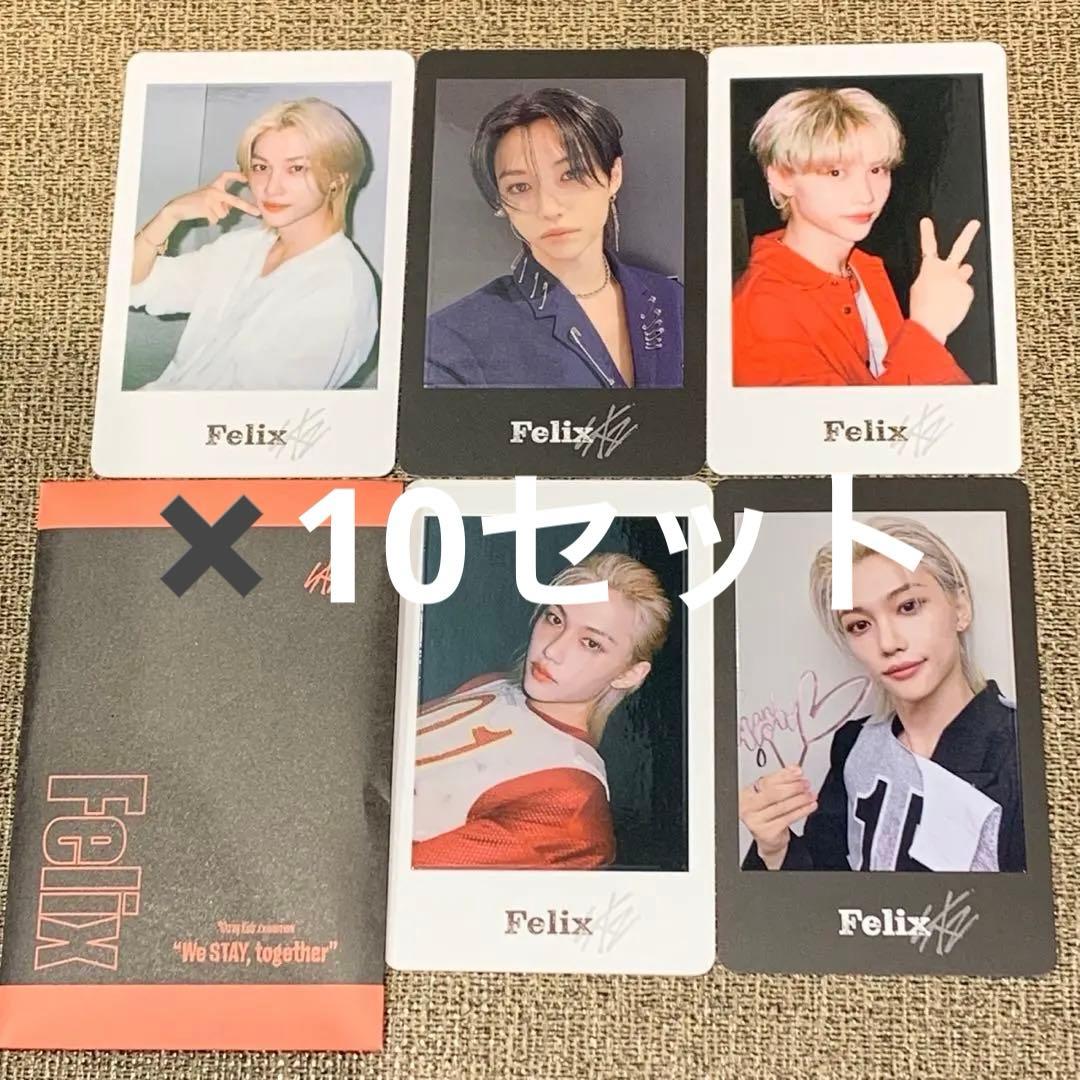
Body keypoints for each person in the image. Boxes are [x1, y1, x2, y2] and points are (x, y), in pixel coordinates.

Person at [740, 517, 1025, 872]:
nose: (888, 643)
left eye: (909, 606)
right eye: (860, 625)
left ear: (960, 608)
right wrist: (774, 846)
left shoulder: (1024, 748)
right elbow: (823, 889)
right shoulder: (854, 745)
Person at [412, 552, 672, 869]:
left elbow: (399, 874)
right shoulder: (493, 686)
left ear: (629, 674)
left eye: (591, 643)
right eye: (555, 619)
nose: (552, 649)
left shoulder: (571, 801)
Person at [424, 88, 684, 389]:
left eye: (570, 175)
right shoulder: (451, 342)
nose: (548, 208)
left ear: (613, 176)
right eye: (520, 187)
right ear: (500, 202)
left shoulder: (673, 300)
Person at [733, 87, 980, 387]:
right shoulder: (759, 313)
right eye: (835, 173)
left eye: (877, 169)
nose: (866, 195)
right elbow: (855, 419)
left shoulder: (863, 269)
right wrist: (927, 329)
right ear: (782, 178)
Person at [129, 97, 378, 391]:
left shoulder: (338, 288)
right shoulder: (242, 247)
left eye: (296, 168)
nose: (271, 187)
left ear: (337, 178)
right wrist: (169, 215)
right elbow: (132, 285)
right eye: (261, 167)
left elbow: (264, 413)